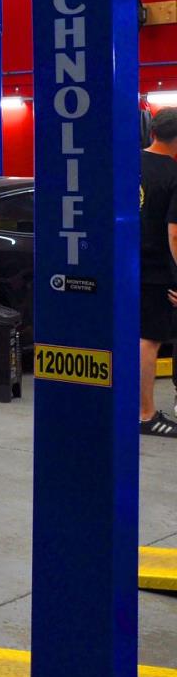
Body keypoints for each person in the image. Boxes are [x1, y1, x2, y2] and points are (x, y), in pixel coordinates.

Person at [140, 108, 177, 435]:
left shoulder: (127, 165)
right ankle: (146, 414)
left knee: (127, 337)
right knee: (149, 340)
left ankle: (130, 408)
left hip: (124, 265)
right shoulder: (173, 174)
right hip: (157, 271)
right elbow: (174, 234)